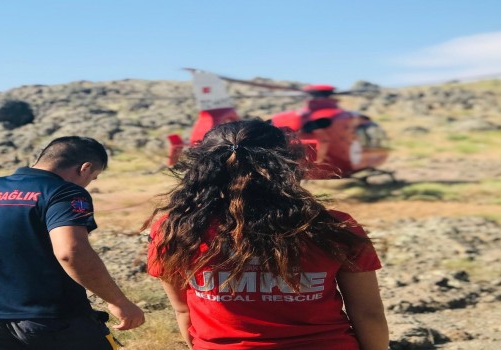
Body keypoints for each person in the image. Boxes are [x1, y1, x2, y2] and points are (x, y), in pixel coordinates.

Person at [146, 119, 388, 349]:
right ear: (288, 163)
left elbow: (184, 312)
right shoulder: (332, 226)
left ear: (201, 168)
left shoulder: (175, 230)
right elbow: (368, 313)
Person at [0, 136, 145, 350]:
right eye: (94, 177)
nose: (90, 183)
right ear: (85, 168)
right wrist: (119, 302)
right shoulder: (64, 192)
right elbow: (71, 252)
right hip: (50, 318)